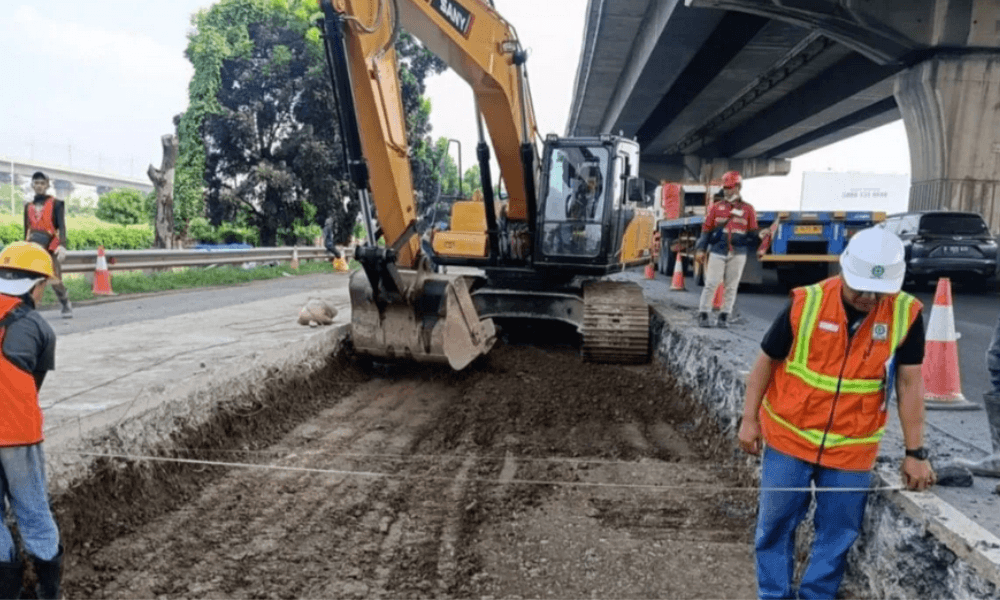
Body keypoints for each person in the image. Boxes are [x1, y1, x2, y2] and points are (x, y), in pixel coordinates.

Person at [738, 227, 935, 600]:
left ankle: (817, 596)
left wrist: (916, 453)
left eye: (878, 292)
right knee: (775, 527)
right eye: (859, 287)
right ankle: (773, 595)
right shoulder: (807, 303)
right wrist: (750, 419)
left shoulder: (905, 314)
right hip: (788, 437)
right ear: (843, 271)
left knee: (838, 534)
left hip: (852, 448)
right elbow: (766, 361)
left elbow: (910, 385)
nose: (867, 298)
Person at [0, 242, 62, 599]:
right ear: (36, 285)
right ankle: (46, 593)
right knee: (34, 510)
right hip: (18, 436)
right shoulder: (39, 328)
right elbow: (33, 384)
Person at [696, 170, 758, 328]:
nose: (726, 190)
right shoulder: (716, 208)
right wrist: (701, 249)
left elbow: (753, 233)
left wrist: (759, 239)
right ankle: (703, 313)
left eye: (729, 187)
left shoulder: (748, 209)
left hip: (738, 253)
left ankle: (724, 316)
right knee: (711, 283)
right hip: (718, 250)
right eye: (725, 187)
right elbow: (706, 230)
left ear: (738, 187)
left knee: (732, 286)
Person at [23, 172, 72, 318]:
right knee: (30, 278)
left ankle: (65, 303)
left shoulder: (56, 203)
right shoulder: (28, 207)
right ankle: (28, 307)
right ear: (32, 185)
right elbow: (26, 230)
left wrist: (62, 245)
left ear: (47, 185)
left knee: (55, 278)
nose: (39, 186)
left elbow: (62, 227)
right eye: (36, 183)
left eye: (42, 183)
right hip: (32, 245)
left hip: (50, 244)